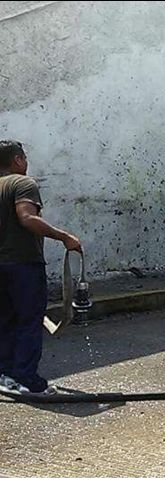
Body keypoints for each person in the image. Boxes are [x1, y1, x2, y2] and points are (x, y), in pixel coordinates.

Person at [0, 140, 82, 393]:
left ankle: (5, 375)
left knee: (5, 321)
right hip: (23, 264)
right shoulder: (23, 183)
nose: (26, 162)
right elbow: (27, 218)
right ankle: (27, 379)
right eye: (24, 157)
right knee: (29, 321)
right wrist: (65, 237)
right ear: (17, 160)